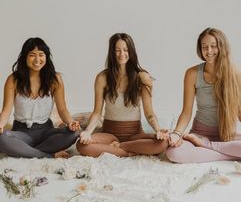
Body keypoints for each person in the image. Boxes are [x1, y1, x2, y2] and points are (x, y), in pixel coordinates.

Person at [76, 33, 168, 157]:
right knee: (81, 145)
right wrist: (87, 132)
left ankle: (120, 148)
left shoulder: (142, 77)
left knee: (163, 143)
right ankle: (129, 152)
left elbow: (149, 113)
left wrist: (158, 130)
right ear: (112, 53)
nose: (122, 54)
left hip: (134, 135)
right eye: (117, 50)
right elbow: (97, 112)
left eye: (125, 50)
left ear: (131, 51)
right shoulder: (102, 77)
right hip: (109, 134)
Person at [166, 27, 241, 163]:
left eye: (213, 46)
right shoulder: (192, 74)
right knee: (173, 154)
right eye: (204, 47)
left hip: (228, 136)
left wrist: (207, 146)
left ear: (222, 47)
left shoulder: (236, 74)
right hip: (200, 134)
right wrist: (176, 133)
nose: (209, 51)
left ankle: (209, 148)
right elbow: (186, 112)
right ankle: (230, 153)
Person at [0, 37, 80, 158]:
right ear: (25, 57)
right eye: (32, 55)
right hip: (22, 133)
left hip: (46, 132)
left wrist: (71, 123)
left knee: (74, 133)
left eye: (41, 55)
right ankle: (48, 155)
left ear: (46, 57)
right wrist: (0, 124)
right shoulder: (13, 80)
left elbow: (62, 109)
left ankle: (25, 151)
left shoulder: (55, 79)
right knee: (2, 138)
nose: (37, 59)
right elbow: (6, 110)